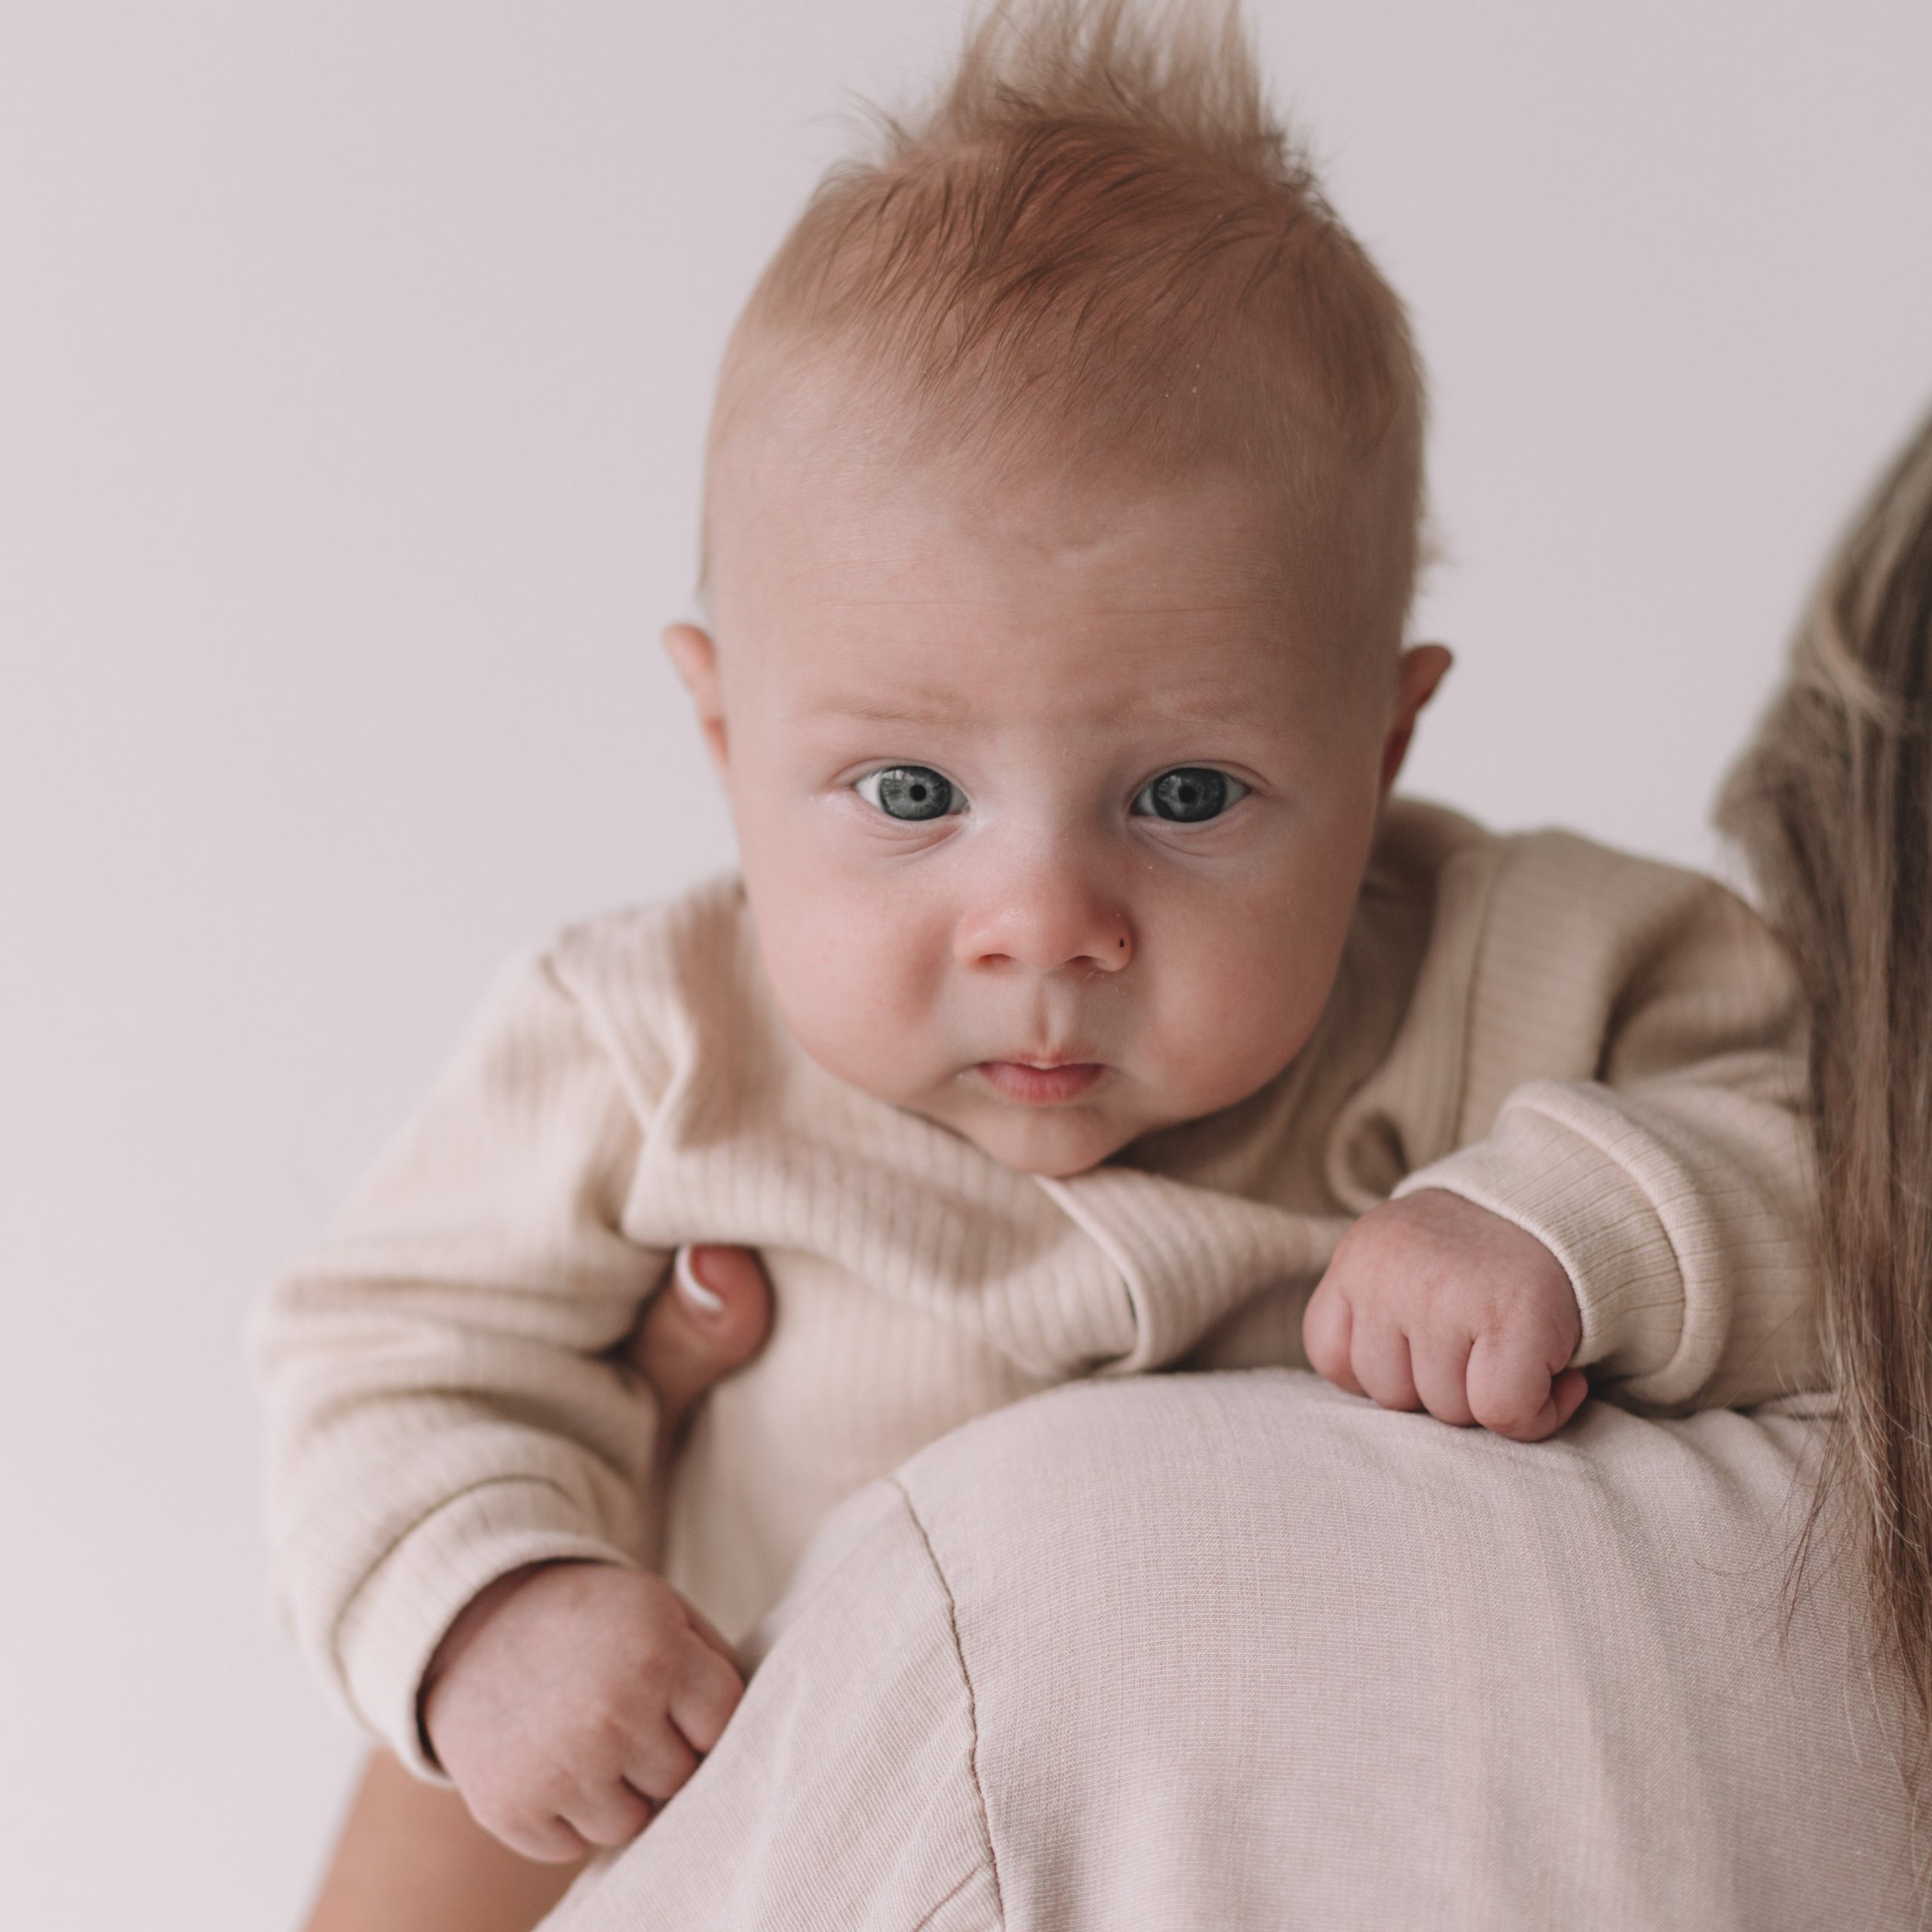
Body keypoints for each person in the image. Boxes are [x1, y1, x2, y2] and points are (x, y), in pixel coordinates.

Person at [259, 0, 1823, 1900]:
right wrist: (490, 1602)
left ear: (1379, 747)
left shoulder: (1531, 969)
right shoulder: (644, 1042)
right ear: (724, 736)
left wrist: (1573, 1224)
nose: (1041, 925)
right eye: (908, 793)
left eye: (1182, 795)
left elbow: (1839, 1169)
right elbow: (387, 1351)